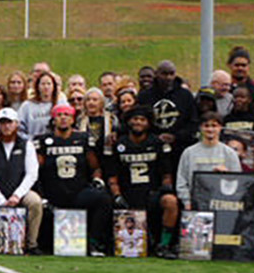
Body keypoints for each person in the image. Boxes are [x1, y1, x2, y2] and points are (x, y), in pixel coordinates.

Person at [38, 103, 112, 256]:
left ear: (73, 120)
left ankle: (94, 243)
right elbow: (35, 170)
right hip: (53, 194)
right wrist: (42, 195)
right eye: (59, 115)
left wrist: (97, 180)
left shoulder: (83, 139)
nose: (63, 118)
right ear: (53, 119)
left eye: (67, 115)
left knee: (103, 199)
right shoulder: (44, 141)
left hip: (77, 191)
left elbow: (95, 167)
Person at [108, 107, 179, 258]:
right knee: (104, 201)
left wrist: (165, 189)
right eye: (135, 119)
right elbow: (112, 176)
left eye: (142, 119)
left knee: (171, 201)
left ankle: (164, 245)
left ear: (148, 123)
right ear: (128, 122)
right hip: (128, 195)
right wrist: (117, 195)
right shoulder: (119, 144)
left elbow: (166, 174)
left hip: (151, 193)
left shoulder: (157, 143)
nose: (138, 122)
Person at [0, 107, 42, 253]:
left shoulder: (27, 145)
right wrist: (0, 200)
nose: (6, 126)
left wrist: (17, 195)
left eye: (9, 123)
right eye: (2, 123)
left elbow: (32, 174)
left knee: (35, 202)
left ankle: (32, 243)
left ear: (16, 124)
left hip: (20, 191)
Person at [177, 112, 243, 212]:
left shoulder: (230, 153)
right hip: (195, 203)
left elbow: (238, 182)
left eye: (214, 126)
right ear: (200, 128)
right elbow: (181, 181)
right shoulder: (189, 152)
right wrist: (187, 202)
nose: (210, 129)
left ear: (220, 127)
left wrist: (227, 174)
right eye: (206, 126)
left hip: (222, 203)